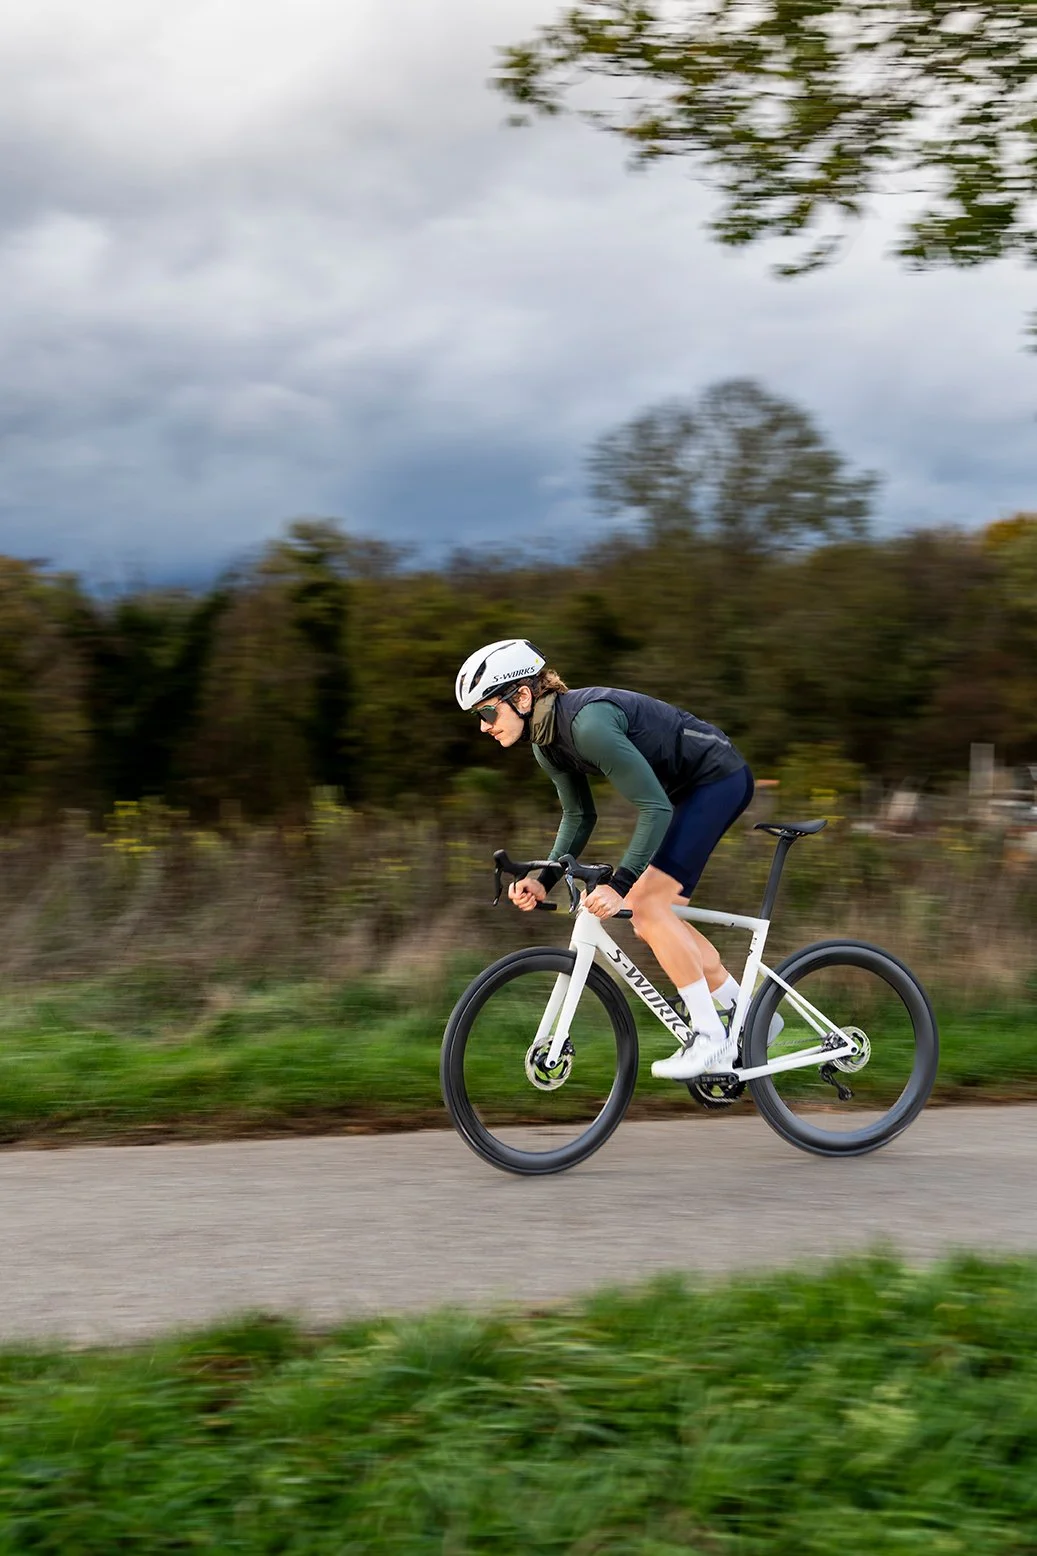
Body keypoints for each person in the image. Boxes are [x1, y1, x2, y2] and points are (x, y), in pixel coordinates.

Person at [455, 637, 756, 1081]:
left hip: (716, 780)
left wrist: (619, 884)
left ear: (521, 697)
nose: (483, 726)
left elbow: (655, 809)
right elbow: (578, 815)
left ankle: (711, 1039)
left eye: (486, 712)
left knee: (646, 909)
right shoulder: (546, 742)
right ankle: (748, 1016)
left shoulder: (588, 724)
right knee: (659, 915)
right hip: (685, 794)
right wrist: (545, 879)